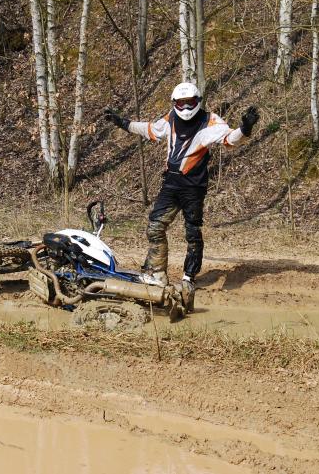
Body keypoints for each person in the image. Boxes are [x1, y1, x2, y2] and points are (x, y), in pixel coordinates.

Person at [104, 82, 259, 313]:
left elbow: (230, 139)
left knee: (192, 233)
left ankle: (189, 277)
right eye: (181, 103)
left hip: (193, 187)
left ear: (198, 101)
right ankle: (157, 274)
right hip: (171, 183)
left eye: (190, 102)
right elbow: (149, 129)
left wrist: (245, 128)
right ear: (174, 103)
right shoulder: (170, 119)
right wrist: (121, 122)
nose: (186, 107)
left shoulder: (210, 121)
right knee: (155, 227)